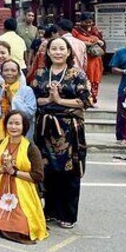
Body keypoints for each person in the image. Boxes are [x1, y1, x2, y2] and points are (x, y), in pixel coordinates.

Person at [31, 37, 91, 229]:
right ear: (47, 52)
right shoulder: (41, 73)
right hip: (45, 128)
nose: (57, 52)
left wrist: (59, 100)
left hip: (69, 129)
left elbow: (85, 101)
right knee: (47, 169)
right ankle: (49, 210)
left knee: (69, 170)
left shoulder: (77, 74)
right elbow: (33, 99)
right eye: (53, 49)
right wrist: (48, 99)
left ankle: (67, 214)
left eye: (61, 49)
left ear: (68, 52)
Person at [0, 112, 48, 244]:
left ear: (24, 126)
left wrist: (14, 172)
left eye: (17, 123)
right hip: (2, 192)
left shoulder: (31, 148)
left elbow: (38, 176)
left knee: (21, 228)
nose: (13, 127)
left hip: (23, 192)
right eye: (10, 123)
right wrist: (2, 169)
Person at [0, 60, 37, 139]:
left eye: (13, 70)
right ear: (1, 74)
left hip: (23, 135)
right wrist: (2, 99)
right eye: (6, 70)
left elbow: (30, 113)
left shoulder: (27, 90)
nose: (9, 73)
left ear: (19, 74)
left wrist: (12, 99)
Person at [73, 12, 106, 103]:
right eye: (86, 22)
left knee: (94, 79)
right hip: (82, 58)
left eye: (90, 22)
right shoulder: (76, 31)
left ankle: (93, 99)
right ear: (81, 21)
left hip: (95, 59)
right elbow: (74, 42)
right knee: (83, 78)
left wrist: (100, 42)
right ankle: (84, 99)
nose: (88, 24)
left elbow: (102, 43)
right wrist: (94, 42)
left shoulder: (95, 30)